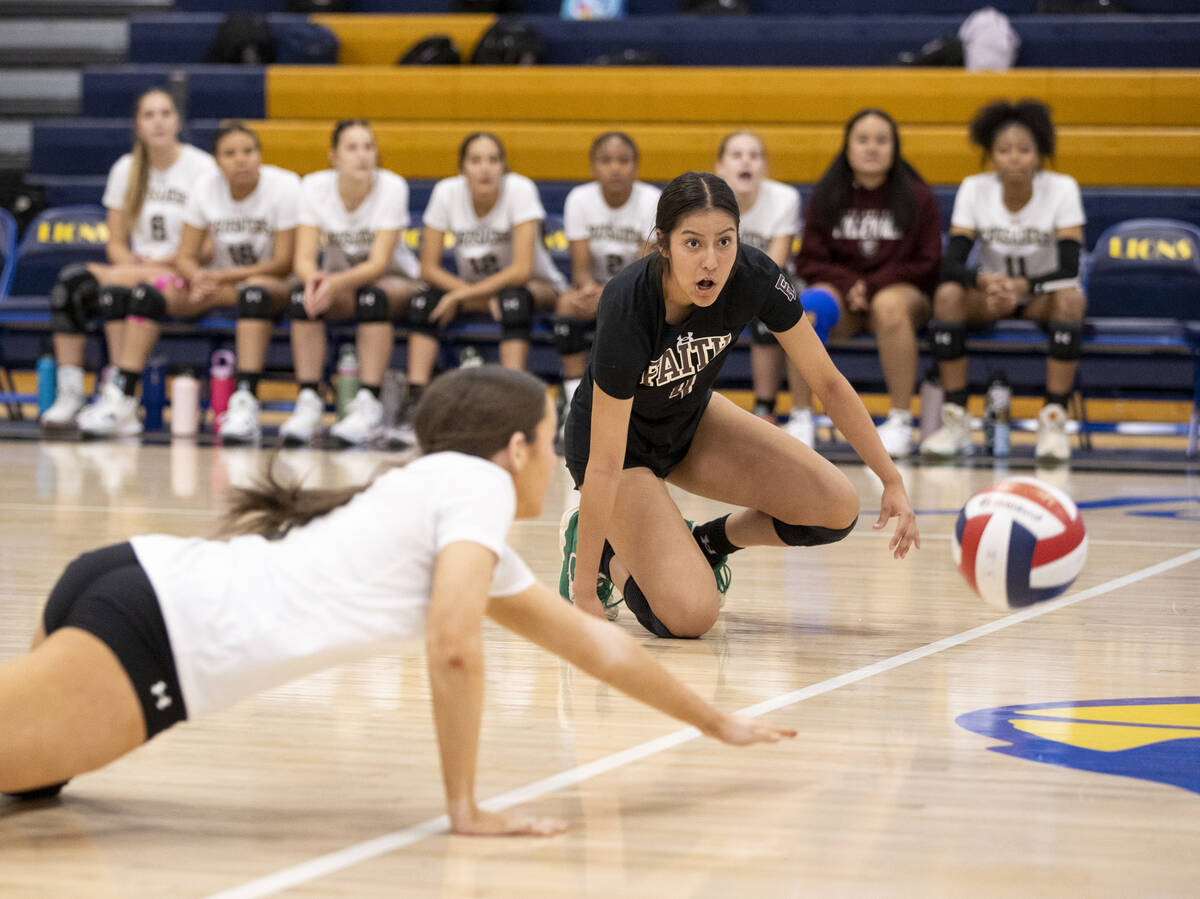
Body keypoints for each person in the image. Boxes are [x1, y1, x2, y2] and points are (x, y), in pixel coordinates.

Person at [0, 366, 795, 835]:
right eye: (550, 441)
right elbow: (453, 645)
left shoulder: (444, 502)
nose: (553, 462)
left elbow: (599, 646)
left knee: (24, 798)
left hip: (133, 585)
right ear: (512, 448)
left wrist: (716, 720)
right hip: (154, 635)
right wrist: (465, 807)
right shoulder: (475, 484)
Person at [561, 172, 919, 638]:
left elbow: (827, 383)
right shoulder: (628, 303)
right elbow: (606, 461)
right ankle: (608, 557)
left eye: (724, 242)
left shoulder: (754, 275)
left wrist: (890, 479)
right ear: (664, 244)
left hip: (688, 423)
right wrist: (584, 593)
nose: (711, 261)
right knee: (691, 617)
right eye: (693, 244)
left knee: (836, 507)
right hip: (614, 452)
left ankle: (708, 543)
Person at [76, 122, 299, 442]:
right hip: (216, 286)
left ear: (260, 155)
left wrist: (215, 276)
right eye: (231, 153)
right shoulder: (206, 187)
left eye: (249, 151)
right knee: (146, 295)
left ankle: (246, 401)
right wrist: (196, 276)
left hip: (272, 284)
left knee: (254, 294)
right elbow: (185, 256)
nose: (241, 160)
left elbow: (283, 263)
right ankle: (123, 398)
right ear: (218, 160)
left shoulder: (284, 185)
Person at [41, 88, 218, 431]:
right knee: (70, 285)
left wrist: (162, 263)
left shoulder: (201, 167)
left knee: (129, 292)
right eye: (149, 115)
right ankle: (72, 392)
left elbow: (208, 247)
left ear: (178, 121)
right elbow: (116, 245)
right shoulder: (126, 169)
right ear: (137, 125)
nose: (158, 122)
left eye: (165, 113)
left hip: (179, 270)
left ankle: (122, 397)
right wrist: (132, 264)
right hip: (135, 269)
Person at [920, 99, 1086, 464]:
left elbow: (1070, 268)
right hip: (992, 297)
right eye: (1004, 150)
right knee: (948, 295)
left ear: (1040, 153)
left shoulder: (1062, 189)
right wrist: (983, 282)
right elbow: (950, 265)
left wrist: (1021, 287)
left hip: (1041, 296)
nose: (1014, 158)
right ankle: (956, 418)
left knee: (1071, 299)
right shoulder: (974, 188)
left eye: (1024, 149)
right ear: (990, 155)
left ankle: (1054, 422)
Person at [795, 109, 942, 458]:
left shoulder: (918, 196)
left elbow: (929, 262)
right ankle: (801, 418)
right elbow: (809, 261)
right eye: (863, 139)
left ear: (895, 147)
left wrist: (872, 286)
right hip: (845, 298)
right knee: (808, 306)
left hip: (901, 296)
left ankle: (901, 420)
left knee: (888, 305)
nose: (872, 147)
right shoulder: (828, 194)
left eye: (881, 140)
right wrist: (851, 286)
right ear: (847, 146)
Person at [400, 132, 566, 441]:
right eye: (476, 161)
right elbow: (427, 268)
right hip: (477, 290)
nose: (485, 168)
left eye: (493, 160)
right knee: (425, 303)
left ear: (504, 167)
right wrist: (471, 292)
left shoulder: (519, 190)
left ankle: (516, 404)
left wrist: (463, 294)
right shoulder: (446, 192)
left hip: (536, 286)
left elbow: (521, 270)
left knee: (512, 301)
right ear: (462, 169)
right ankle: (415, 402)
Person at [281, 119, 423, 448]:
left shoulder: (392, 186)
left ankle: (369, 404)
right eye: (352, 148)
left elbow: (377, 264)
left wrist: (332, 282)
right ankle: (309, 401)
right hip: (341, 285)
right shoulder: (314, 186)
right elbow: (302, 257)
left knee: (372, 297)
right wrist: (313, 279)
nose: (362, 156)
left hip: (395, 282)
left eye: (369, 147)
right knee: (305, 298)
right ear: (333, 156)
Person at [555, 132, 660, 436]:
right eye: (606, 160)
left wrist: (611, 294)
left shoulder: (651, 199)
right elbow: (580, 269)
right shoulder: (579, 199)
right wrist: (590, 288)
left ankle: (633, 404)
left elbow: (646, 265)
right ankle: (574, 400)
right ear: (593, 166)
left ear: (636, 166)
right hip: (595, 289)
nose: (615, 168)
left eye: (623, 160)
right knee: (565, 303)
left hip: (638, 291)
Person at [712, 131, 810, 443]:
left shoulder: (784, 198)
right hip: (715, 281)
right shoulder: (706, 200)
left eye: (754, 156)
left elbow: (775, 264)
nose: (746, 161)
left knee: (770, 308)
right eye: (737, 155)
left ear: (764, 167)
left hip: (766, 283)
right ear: (720, 167)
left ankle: (765, 408)